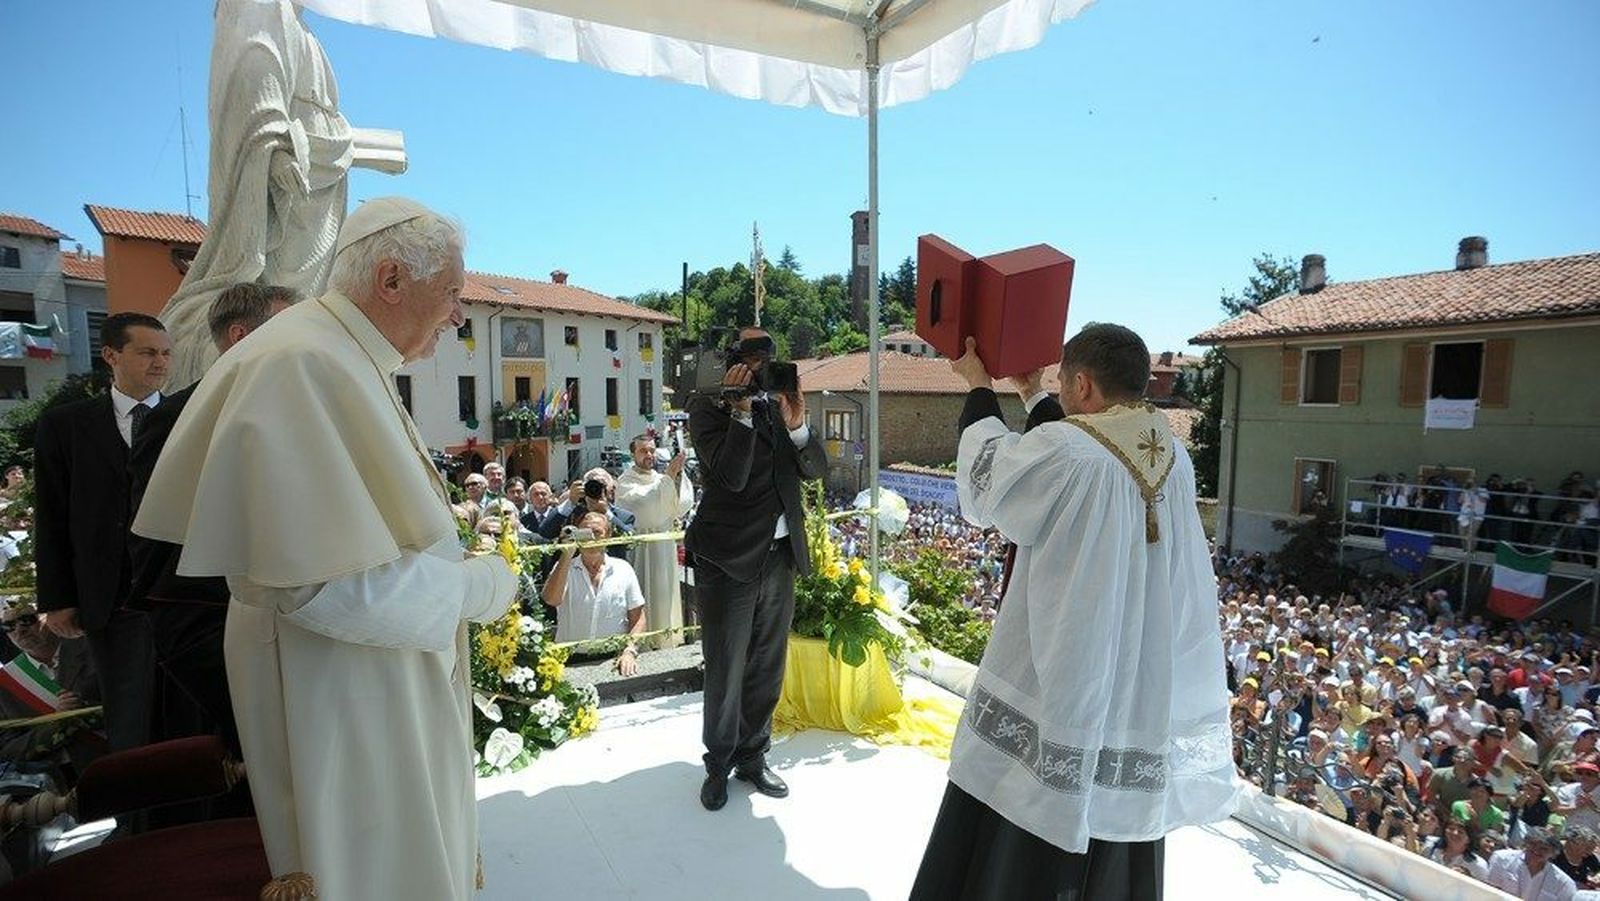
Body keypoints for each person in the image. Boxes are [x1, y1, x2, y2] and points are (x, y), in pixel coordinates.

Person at [132, 197, 519, 900]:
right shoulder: (300, 361)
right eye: (454, 294)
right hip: (342, 696)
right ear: (393, 279)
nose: (459, 314)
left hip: (371, 682)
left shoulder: (342, 353)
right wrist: (480, 587)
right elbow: (314, 585)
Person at [911, 327, 1236, 901]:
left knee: (1034, 794)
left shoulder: (1067, 453)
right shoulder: (1173, 455)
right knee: (1114, 803)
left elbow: (991, 486)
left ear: (1083, 383)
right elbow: (1074, 449)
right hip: (1138, 682)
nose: (1059, 392)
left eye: (1062, 382)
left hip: (1071, 666)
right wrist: (1033, 393)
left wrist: (979, 387)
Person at [127, 282, 300, 759]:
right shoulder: (177, 418)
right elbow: (159, 548)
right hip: (214, 630)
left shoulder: (303, 412)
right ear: (240, 336)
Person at [684, 327, 826, 811]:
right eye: (750, 360)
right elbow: (730, 476)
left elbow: (815, 469)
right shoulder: (705, 409)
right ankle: (718, 764)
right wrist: (740, 412)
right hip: (727, 559)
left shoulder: (777, 407)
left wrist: (799, 425)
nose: (760, 369)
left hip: (779, 557)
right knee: (726, 666)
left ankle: (753, 756)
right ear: (731, 362)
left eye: (767, 359)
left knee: (768, 663)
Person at [34, 312, 170, 754]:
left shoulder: (188, 418)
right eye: (147, 352)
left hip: (182, 595)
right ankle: (138, 819)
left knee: (188, 715)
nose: (160, 363)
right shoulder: (65, 426)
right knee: (128, 720)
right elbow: (52, 515)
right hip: (109, 600)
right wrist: (57, 599)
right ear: (111, 355)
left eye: (166, 353)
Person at [541, 511, 647, 675]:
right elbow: (551, 599)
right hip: (569, 659)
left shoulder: (623, 569)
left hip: (613, 659)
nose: (590, 538)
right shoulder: (564, 567)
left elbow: (638, 618)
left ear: (608, 536)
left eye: (597, 532)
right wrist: (566, 554)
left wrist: (630, 651)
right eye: (585, 532)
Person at [614, 434, 693, 649]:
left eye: (651, 450)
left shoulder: (661, 478)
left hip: (664, 549)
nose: (649, 455)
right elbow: (644, 509)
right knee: (642, 596)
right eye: (643, 451)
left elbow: (681, 505)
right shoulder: (625, 482)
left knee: (665, 597)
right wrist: (669, 477)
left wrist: (676, 477)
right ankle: (641, 643)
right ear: (633, 454)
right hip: (641, 549)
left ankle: (667, 641)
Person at [540, 469, 636, 560]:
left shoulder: (624, 517)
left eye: (602, 485)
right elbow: (544, 533)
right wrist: (570, 502)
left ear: (611, 490)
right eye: (591, 484)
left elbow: (630, 542)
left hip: (610, 571)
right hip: (574, 570)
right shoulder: (571, 512)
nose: (596, 489)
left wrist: (607, 513)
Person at [1485, 828, 1577, 900]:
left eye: (1544, 849)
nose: (1536, 850)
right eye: (1533, 844)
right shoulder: (1502, 858)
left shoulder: (1564, 883)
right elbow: (1489, 892)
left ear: (1553, 854)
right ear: (1525, 843)